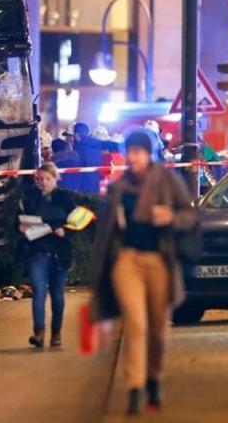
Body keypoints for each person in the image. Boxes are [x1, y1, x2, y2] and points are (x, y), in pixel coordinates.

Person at [89, 132, 199, 416]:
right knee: (136, 324)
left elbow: (190, 214)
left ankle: (154, 379)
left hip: (159, 261)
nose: (134, 157)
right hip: (127, 261)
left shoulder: (166, 180)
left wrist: (172, 218)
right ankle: (135, 388)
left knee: (158, 329)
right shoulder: (119, 186)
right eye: (131, 151)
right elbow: (106, 232)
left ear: (150, 153)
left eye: (139, 151)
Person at [18, 163, 77, 348]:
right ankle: (39, 333)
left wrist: (65, 231)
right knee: (39, 293)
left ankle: (56, 333)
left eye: (47, 179)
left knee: (57, 295)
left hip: (60, 252)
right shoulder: (30, 198)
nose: (43, 183)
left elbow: (76, 223)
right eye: (40, 179)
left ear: (55, 178)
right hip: (38, 251)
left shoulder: (65, 198)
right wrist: (20, 227)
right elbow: (18, 219)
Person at [73, 122, 105, 194]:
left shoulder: (78, 147)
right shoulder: (97, 145)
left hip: (82, 185)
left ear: (76, 134)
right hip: (95, 182)